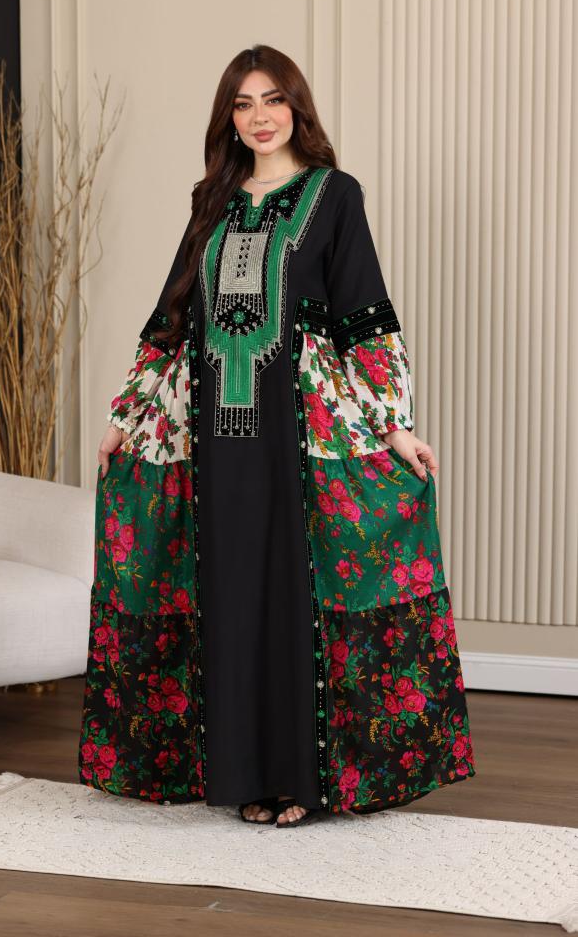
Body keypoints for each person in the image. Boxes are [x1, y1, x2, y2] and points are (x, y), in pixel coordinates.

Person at [78, 44, 476, 829]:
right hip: (212, 438)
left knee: (293, 596)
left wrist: (393, 426)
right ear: (227, 118)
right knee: (228, 594)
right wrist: (125, 418)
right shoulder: (212, 202)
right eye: (242, 104)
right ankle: (243, 774)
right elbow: (171, 317)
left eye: (272, 100)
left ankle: (300, 778)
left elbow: (363, 313)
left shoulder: (333, 195)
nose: (259, 117)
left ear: (296, 107)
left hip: (300, 437)